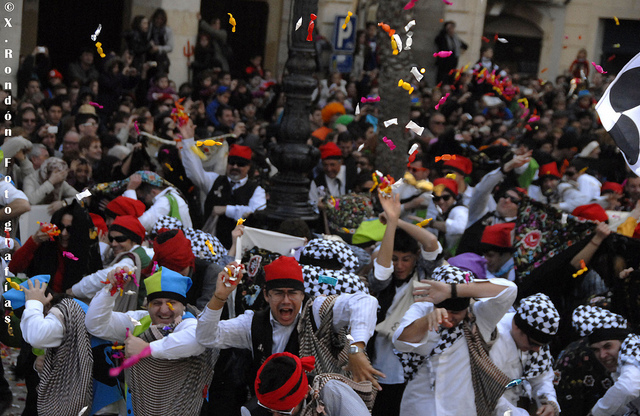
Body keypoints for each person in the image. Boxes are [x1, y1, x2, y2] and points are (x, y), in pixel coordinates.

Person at [196, 256, 383, 397]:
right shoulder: (252, 324)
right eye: (278, 293)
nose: (286, 301)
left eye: (292, 293)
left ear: (303, 295)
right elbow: (207, 337)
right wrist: (219, 297)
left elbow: (365, 302)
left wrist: (356, 349)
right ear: (267, 295)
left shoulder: (317, 312)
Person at [85, 267, 213, 416]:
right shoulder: (139, 321)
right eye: (157, 303)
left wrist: (146, 348)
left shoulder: (189, 323)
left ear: (183, 305)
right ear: (147, 305)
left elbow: (194, 342)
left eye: (171, 302)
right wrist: (111, 290)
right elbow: (96, 324)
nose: (164, 310)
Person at [393, 264, 517, 416]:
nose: (450, 317)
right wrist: (426, 321)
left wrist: (452, 290)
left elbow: (510, 290)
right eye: (446, 311)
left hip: (461, 409)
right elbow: (400, 343)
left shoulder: (479, 318)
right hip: (419, 407)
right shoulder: (422, 310)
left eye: (456, 312)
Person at [367, 192, 442, 416]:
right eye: (395, 258)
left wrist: (396, 220)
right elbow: (381, 272)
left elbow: (430, 242)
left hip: (412, 368)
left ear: (416, 257)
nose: (400, 265)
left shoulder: (425, 276)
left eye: (406, 259)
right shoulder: (383, 284)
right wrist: (390, 225)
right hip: (377, 364)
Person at [18, 276, 123, 415]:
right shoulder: (70, 306)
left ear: (46, 303)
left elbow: (35, 335)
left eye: (37, 313)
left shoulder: (64, 312)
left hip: (96, 398)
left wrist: (33, 303)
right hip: (101, 394)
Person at [179, 120, 266, 248]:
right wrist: (188, 142)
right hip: (210, 248)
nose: (235, 167)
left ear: (248, 167)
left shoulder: (256, 190)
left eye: (240, 164)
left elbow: (255, 212)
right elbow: (194, 172)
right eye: (232, 162)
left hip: (239, 249)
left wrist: (226, 210)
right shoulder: (214, 180)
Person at [491, 293, 561, 416]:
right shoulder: (494, 339)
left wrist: (549, 403)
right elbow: (489, 394)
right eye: (533, 344)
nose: (537, 350)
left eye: (541, 346)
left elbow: (541, 377)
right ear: (516, 327)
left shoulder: (534, 340)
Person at [242, 352, 372, 416]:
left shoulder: (332, 392)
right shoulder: (251, 411)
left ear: (304, 393)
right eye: (271, 410)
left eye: (284, 412)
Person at [68, 215, 150, 311]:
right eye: (111, 239)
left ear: (134, 240)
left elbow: (100, 278)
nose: (114, 244)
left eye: (120, 239)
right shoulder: (138, 253)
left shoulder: (131, 259)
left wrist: (73, 291)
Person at [572, 305, 640, 416]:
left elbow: (628, 388)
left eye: (608, 347)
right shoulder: (620, 364)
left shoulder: (634, 349)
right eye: (596, 350)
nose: (602, 355)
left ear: (623, 343)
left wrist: (596, 413)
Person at [123, 171, 193, 231]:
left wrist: (130, 190)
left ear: (153, 192)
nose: (143, 202)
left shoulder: (165, 201)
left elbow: (140, 223)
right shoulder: (173, 196)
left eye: (143, 199)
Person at [427, 177, 468, 254]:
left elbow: (460, 228)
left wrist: (432, 224)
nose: (441, 201)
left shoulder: (459, 210)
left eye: (446, 197)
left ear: (453, 197)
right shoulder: (440, 214)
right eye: (437, 198)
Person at [309, 142, 356, 209]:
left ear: (340, 162)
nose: (329, 169)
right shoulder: (317, 182)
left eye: (332, 165)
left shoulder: (352, 173)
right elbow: (313, 204)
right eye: (325, 165)